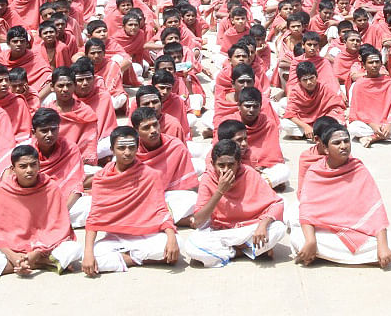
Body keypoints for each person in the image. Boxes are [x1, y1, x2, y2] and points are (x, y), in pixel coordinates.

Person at [0, 144, 82, 277]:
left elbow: (59, 227)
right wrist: (13, 256)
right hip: (12, 245)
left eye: (33, 165)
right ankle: (37, 264)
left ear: (39, 166)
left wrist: (36, 252)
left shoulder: (51, 187)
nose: (29, 170)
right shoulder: (4, 189)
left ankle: (28, 263)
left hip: (45, 246)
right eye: (23, 166)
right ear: (13, 169)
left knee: (74, 249)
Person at [292, 122, 391, 268]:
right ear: (326, 149)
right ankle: (318, 250)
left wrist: (383, 245)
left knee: (388, 240)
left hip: (354, 230)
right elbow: (307, 210)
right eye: (337, 143)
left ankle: (319, 255)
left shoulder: (358, 169)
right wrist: (310, 241)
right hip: (325, 230)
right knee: (298, 237)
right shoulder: (315, 172)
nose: (343, 146)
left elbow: (375, 210)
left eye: (346, 141)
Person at [82, 126, 180, 276]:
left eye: (131, 147)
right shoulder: (101, 178)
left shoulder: (151, 175)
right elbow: (94, 217)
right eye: (121, 148)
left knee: (176, 245)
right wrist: (88, 252)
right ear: (112, 150)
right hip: (116, 236)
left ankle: (124, 259)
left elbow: (161, 209)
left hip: (147, 233)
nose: (127, 153)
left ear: (137, 148)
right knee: (90, 257)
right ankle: (139, 259)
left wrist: (171, 237)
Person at [181, 139, 287, 267]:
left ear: (239, 163)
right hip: (222, 230)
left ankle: (233, 250)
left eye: (231, 165)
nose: (226, 170)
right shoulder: (208, 178)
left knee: (278, 228)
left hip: (250, 228)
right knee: (192, 245)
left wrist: (263, 225)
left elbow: (277, 203)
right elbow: (198, 221)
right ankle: (241, 251)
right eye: (221, 165)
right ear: (213, 164)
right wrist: (220, 191)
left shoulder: (248, 173)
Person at [131, 107, 198, 224]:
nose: (153, 130)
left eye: (155, 124)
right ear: (136, 131)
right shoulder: (131, 152)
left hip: (169, 196)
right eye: (146, 127)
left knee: (193, 199)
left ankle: (161, 218)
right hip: (143, 197)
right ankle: (179, 220)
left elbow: (188, 185)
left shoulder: (175, 146)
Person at [347, 46, 391, 146]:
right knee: (353, 128)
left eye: (377, 62)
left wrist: (389, 124)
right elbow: (358, 111)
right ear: (363, 65)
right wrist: (373, 125)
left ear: (381, 64)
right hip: (368, 123)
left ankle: (374, 138)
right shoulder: (359, 84)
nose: (374, 65)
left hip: (388, 122)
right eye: (370, 63)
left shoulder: (389, 83)